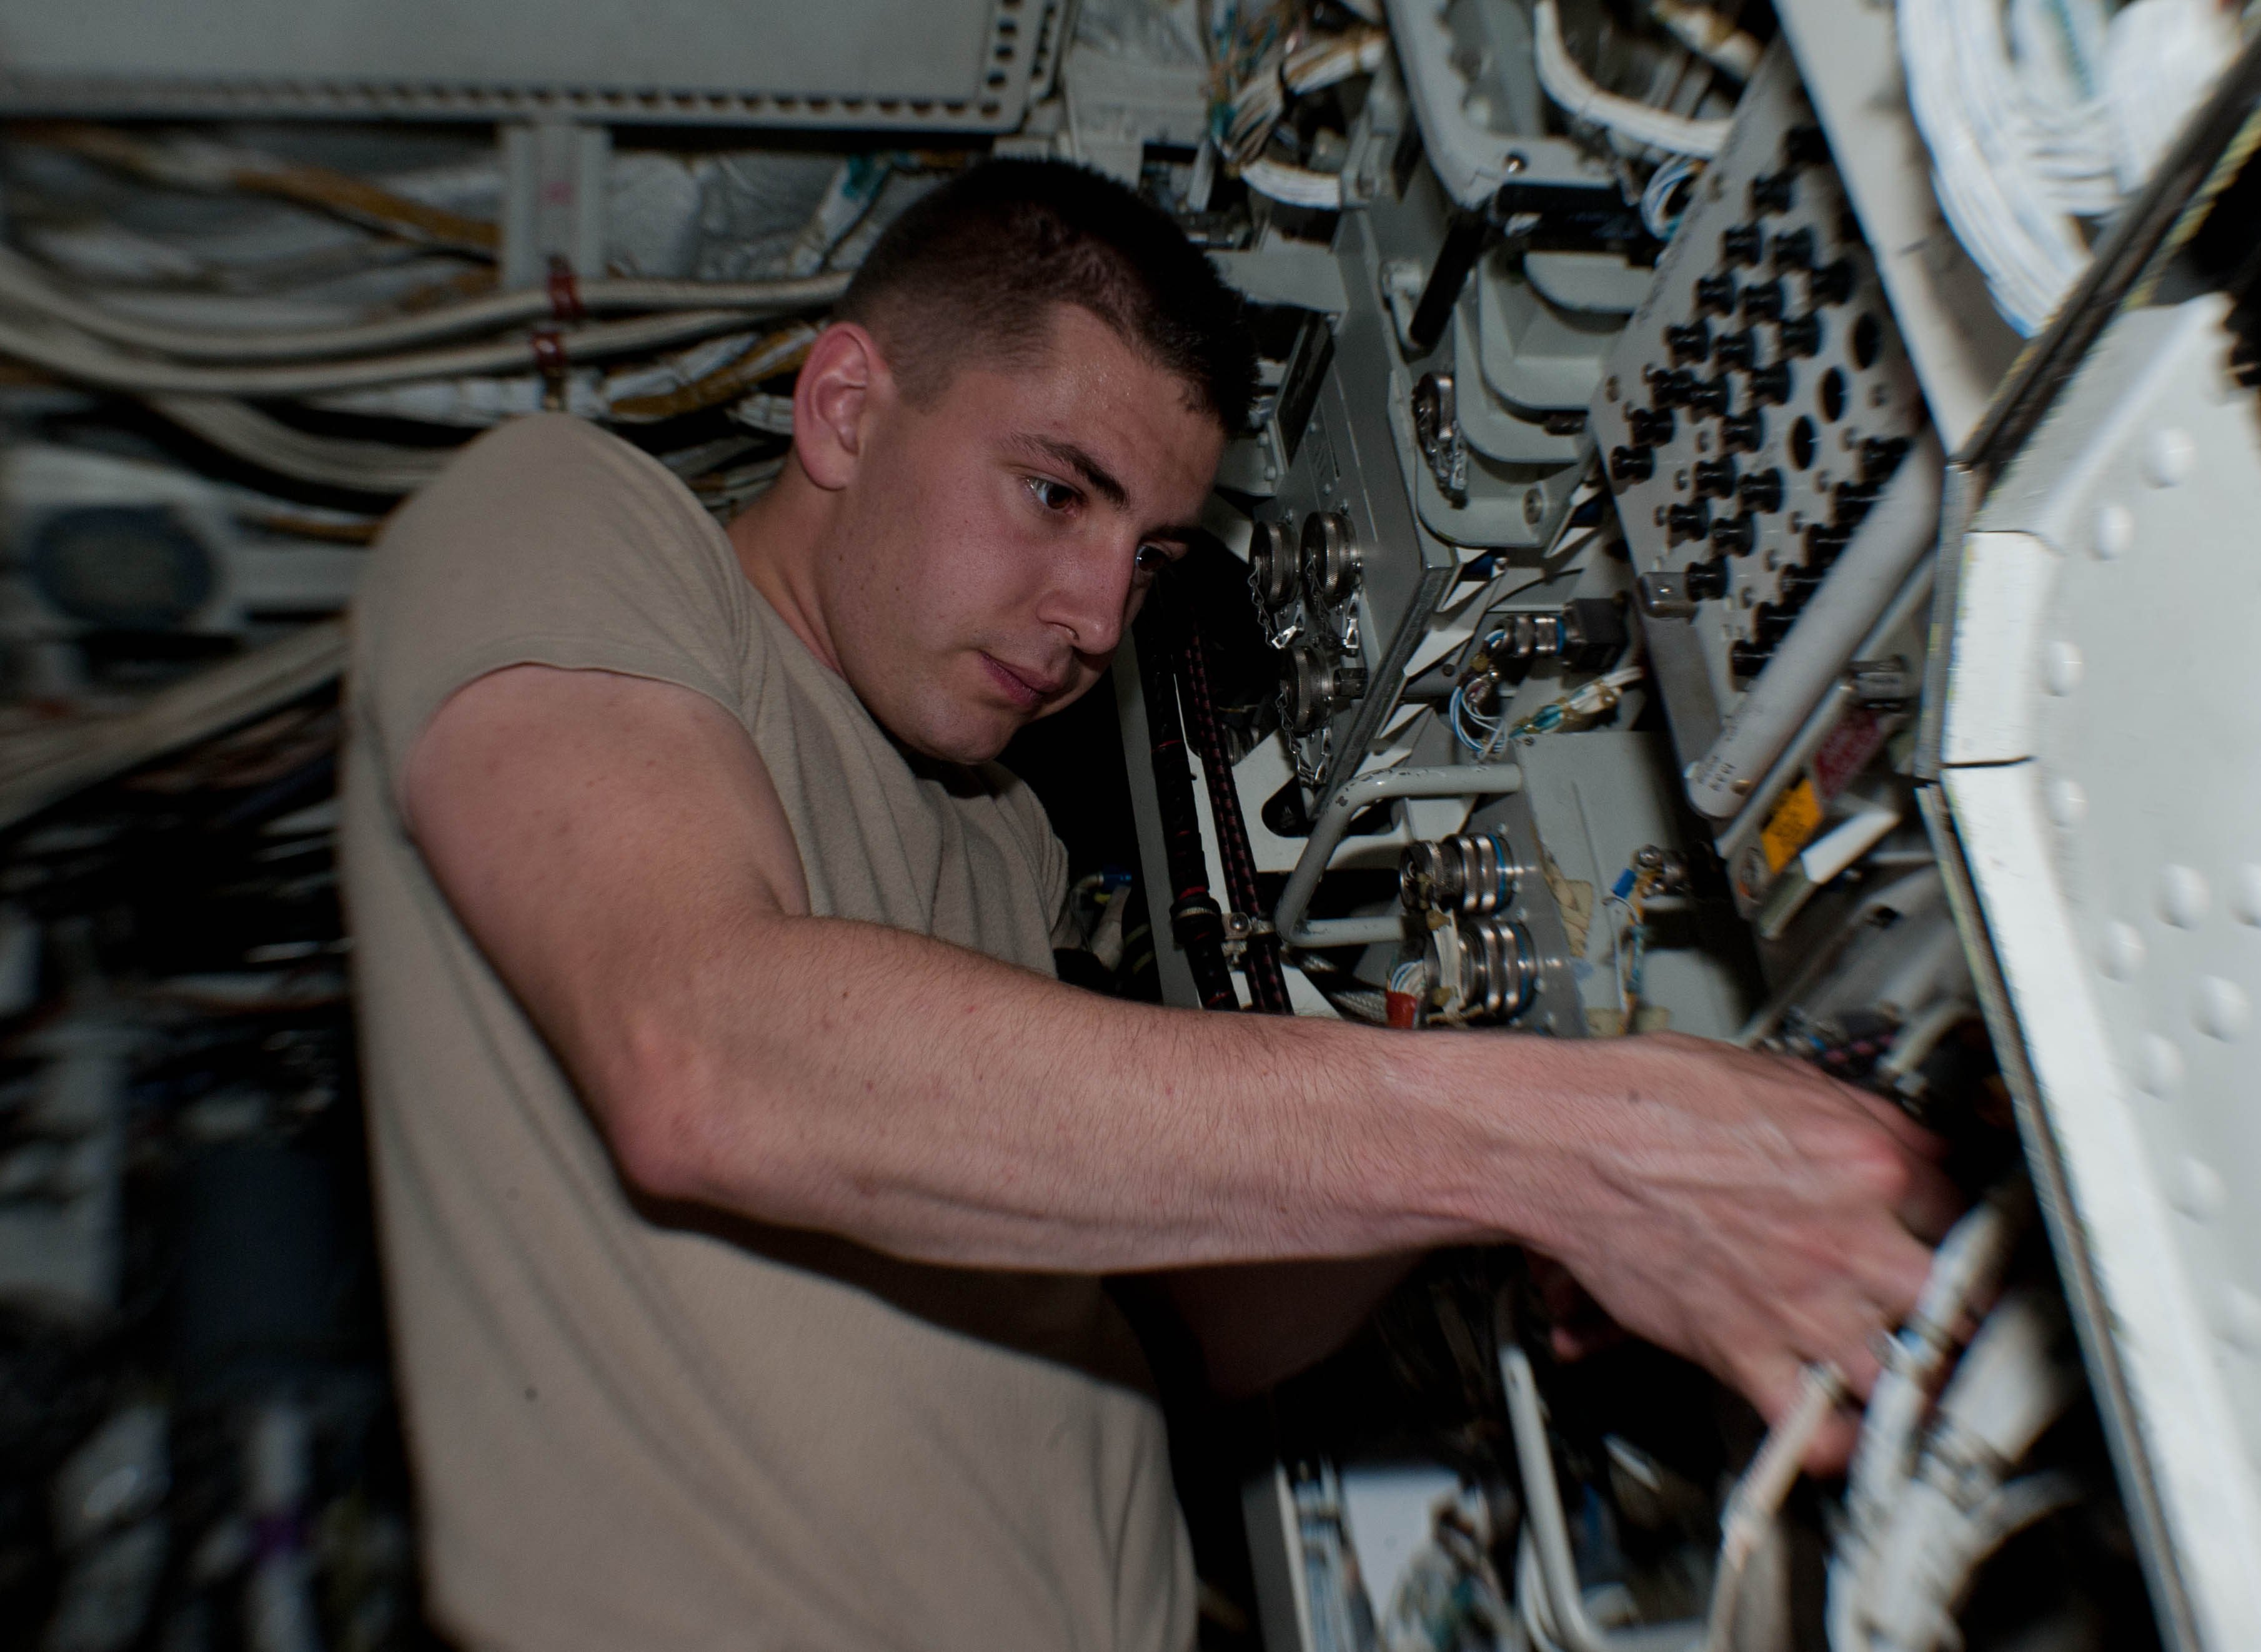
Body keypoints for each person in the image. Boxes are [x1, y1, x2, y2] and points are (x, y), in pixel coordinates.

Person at [341, 158, 1954, 1652]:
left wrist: (1491, 1209)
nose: (1096, 614)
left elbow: (1194, 1331)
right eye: (1055, 493)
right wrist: (1569, 1142)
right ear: (842, 410)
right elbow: (701, 1058)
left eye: (1151, 554)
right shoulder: (564, 516)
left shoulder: (990, 841)